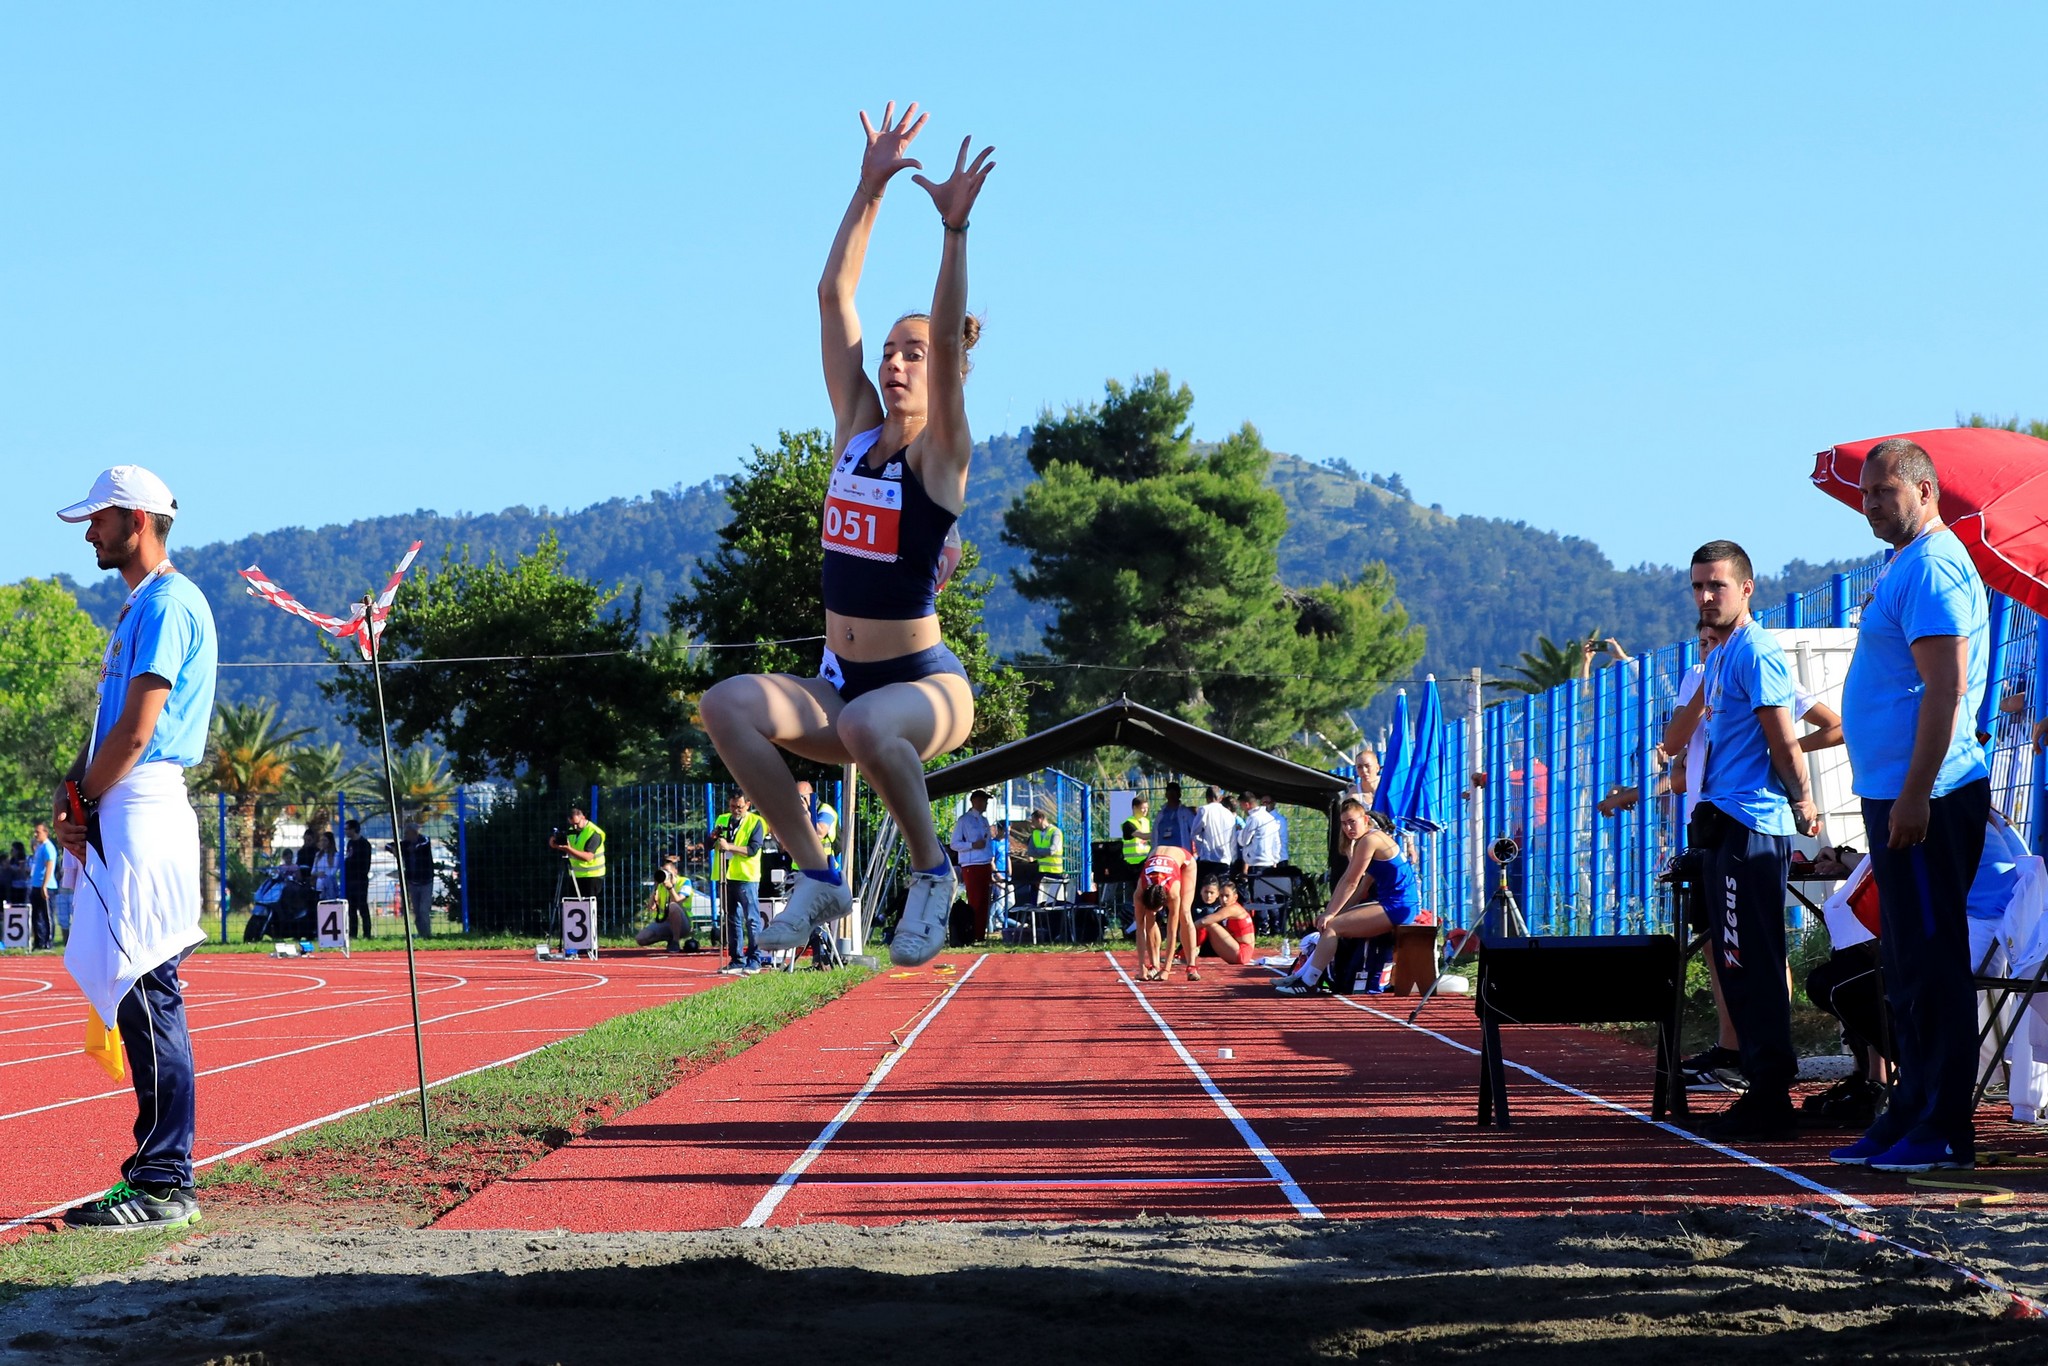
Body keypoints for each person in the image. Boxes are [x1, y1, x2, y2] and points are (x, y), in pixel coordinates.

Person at [697, 101, 995, 969]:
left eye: (912, 353)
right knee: (728, 706)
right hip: (840, 683)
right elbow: (833, 294)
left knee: (869, 726)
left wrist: (954, 231)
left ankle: (931, 875)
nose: (896, 361)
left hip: (925, 689)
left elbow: (946, 331)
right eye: (889, 351)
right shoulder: (855, 430)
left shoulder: (943, 453)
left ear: (940, 371)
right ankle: (820, 876)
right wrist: (869, 187)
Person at [50, 463, 216, 1231]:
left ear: (138, 520)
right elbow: (112, 726)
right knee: (142, 991)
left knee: (150, 995)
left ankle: (163, 1183)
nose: (90, 531)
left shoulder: (169, 603)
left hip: (141, 807)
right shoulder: (142, 605)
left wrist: (86, 795)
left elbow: (140, 730)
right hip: (123, 805)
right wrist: (72, 783)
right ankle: (158, 1175)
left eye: (100, 518)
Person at [1830, 440, 1991, 1173]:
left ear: (1925, 492)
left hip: (1929, 794)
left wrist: (1918, 792)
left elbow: (1946, 688)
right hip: (1894, 792)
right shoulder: (1901, 564)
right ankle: (1908, 1109)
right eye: (1865, 493)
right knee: (1904, 963)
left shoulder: (1932, 566)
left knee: (1931, 962)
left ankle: (1945, 1127)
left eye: (1883, 491)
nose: (1869, 503)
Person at [1686, 539, 1819, 1141]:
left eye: (1717, 585)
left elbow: (1782, 739)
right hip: (1722, 821)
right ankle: (1757, 1078)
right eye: (1698, 586)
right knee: (1732, 959)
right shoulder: (1719, 654)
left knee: (1752, 957)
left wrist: (1804, 799)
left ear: (1746, 588)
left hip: (1754, 827)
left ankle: (1772, 1092)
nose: (1707, 596)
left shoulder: (1758, 652)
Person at [1278, 801, 1418, 994]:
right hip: (1395, 904)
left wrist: (1330, 914)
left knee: (1333, 928)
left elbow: (1350, 881)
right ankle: (1302, 975)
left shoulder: (1371, 840)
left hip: (1400, 907)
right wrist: (1334, 913)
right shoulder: (1373, 842)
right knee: (1332, 923)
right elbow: (1360, 888)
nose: (1348, 828)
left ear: (1366, 820)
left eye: (1352, 822)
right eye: (1344, 824)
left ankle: (1308, 983)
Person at [711, 792, 767, 973]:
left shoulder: (756, 822)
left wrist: (730, 847)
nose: (735, 810)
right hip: (725, 875)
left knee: (751, 918)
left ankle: (755, 959)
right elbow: (710, 844)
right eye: (733, 806)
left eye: (739, 807)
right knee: (731, 918)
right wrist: (713, 838)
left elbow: (753, 849)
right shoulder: (722, 819)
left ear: (748, 805)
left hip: (746, 876)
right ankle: (737, 959)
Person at [1136, 842, 1200, 982]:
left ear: (1165, 902)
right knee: (1149, 917)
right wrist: (1141, 967)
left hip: (1184, 863)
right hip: (1157, 854)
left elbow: (1172, 932)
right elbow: (1140, 930)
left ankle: (1191, 966)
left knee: (1184, 913)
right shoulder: (1139, 893)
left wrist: (1167, 970)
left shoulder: (1173, 893)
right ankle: (1154, 965)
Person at [1235, 793, 1285, 932]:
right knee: (1271, 897)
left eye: (1241, 805)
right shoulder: (1270, 818)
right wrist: (1275, 859)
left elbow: (1243, 840)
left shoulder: (1253, 818)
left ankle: (1263, 927)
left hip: (1256, 862)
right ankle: (1276, 926)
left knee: (1259, 898)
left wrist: (1239, 833)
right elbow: (1277, 842)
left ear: (1246, 804)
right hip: (1269, 862)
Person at [948, 790, 995, 935]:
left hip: (985, 863)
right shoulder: (964, 820)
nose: (985, 804)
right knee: (975, 899)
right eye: (983, 801)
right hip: (971, 864)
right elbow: (954, 844)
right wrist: (971, 845)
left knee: (985, 900)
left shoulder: (984, 820)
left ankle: (980, 933)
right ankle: (971, 932)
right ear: (975, 801)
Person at [547, 804, 607, 910]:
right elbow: (568, 848)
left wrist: (567, 849)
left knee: (588, 909)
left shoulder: (594, 833)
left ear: (583, 817)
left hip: (592, 877)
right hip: (575, 876)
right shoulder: (572, 830)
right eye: (572, 824)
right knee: (574, 908)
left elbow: (588, 857)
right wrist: (555, 844)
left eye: (577, 823)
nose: (574, 827)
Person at [635, 853, 696, 951]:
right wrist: (655, 887)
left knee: (673, 906)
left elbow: (678, 900)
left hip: (683, 924)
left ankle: (675, 942)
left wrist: (670, 888)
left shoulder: (685, 882)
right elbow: (651, 907)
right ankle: (669, 939)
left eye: (667, 872)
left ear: (675, 872)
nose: (665, 875)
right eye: (663, 872)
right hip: (665, 922)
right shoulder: (661, 886)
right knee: (641, 939)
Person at [1193, 875, 1257, 966]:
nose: (1224, 899)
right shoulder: (1233, 908)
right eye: (1221, 896)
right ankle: (1190, 951)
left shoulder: (1232, 909)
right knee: (1207, 924)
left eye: (1227, 896)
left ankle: (1187, 952)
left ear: (1235, 897)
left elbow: (1204, 921)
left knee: (1208, 924)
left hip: (1241, 953)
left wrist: (1186, 929)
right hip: (1240, 950)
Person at [1015, 807, 1063, 907]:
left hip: (1054, 873)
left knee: (1053, 902)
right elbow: (1030, 851)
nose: (1032, 824)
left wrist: (1038, 852)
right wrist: (1042, 852)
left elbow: (1052, 850)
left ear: (1040, 819)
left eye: (1033, 821)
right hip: (1039, 872)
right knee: (1037, 901)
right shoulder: (1035, 833)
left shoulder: (1055, 832)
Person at [396, 823, 435, 937]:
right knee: (417, 911)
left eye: (406, 833)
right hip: (413, 882)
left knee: (424, 910)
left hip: (426, 882)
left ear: (414, 833)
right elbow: (389, 846)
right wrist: (395, 850)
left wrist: (411, 849)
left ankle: (427, 934)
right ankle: (421, 933)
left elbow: (422, 845)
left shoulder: (424, 840)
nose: (405, 835)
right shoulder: (405, 844)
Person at [794, 780, 840, 875]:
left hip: (824, 867)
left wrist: (806, 814)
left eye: (800, 797)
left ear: (810, 796)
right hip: (800, 869)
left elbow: (820, 834)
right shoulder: (796, 813)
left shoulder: (825, 810)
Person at [343, 818, 373, 939]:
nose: (345, 832)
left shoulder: (364, 844)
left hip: (360, 881)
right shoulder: (350, 843)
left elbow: (365, 865)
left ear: (354, 829)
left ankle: (367, 934)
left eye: (347, 829)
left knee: (362, 907)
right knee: (351, 909)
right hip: (349, 880)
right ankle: (353, 934)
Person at [1152, 782, 1197, 856]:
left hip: (1181, 854)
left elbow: (1195, 831)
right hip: (1162, 854)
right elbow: (1154, 835)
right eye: (1170, 794)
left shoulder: (1185, 812)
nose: (1172, 797)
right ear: (1166, 795)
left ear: (1179, 795)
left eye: (1174, 794)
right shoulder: (1160, 815)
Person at [310, 829, 341, 903]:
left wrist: (326, 876)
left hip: (330, 887)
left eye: (325, 840)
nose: (322, 843)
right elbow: (313, 871)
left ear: (330, 842)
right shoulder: (318, 855)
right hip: (319, 887)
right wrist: (318, 874)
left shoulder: (336, 856)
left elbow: (334, 872)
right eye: (321, 840)